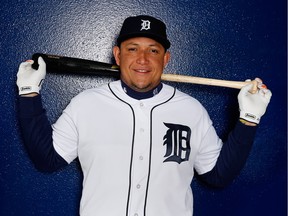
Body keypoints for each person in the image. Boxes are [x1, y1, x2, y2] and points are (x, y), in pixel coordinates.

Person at [16, 15, 272, 216]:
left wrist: (248, 120)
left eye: (153, 50)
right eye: (132, 49)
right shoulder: (85, 104)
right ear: (117, 55)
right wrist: (29, 93)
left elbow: (218, 175)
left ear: (166, 58)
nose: (142, 59)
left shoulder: (191, 110)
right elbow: (47, 159)